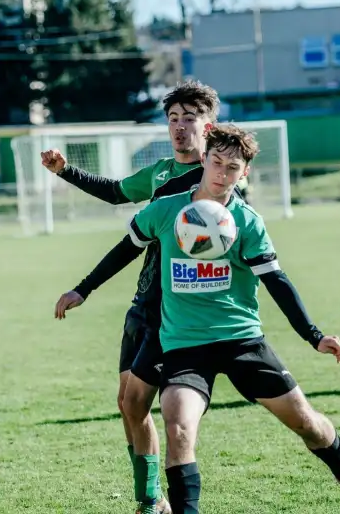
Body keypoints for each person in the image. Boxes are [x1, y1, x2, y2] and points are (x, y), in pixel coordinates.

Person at [60, 124, 340, 513]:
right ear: (203, 160)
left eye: (232, 168)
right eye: (216, 162)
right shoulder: (165, 210)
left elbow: (276, 281)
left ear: (244, 172)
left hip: (242, 341)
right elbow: (125, 249)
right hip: (184, 345)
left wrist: (314, 336)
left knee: (307, 424)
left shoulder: (247, 222)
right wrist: (82, 289)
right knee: (178, 428)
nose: (221, 173)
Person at [45, 80, 221, 514]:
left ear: (208, 126)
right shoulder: (160, 173)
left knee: (144, 403)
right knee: (127, 403)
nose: (179, 127)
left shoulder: (215, 178)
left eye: (189, 119)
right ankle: (152, 500)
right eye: (173, 119)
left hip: (178, 309)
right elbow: (114, 192)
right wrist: (66, 171)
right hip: (144, 301)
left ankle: (152, 501)